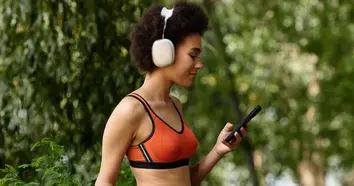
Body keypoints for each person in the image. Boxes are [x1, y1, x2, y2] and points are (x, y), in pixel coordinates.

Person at [95, 1, 249, 186]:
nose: (199, 64)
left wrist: (218, 150)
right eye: (193, 55)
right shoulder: (130, 110)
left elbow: (182, 181)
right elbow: (104, 182)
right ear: (164, 52)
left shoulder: (175, 105)